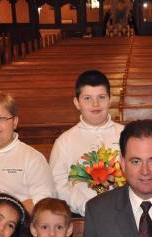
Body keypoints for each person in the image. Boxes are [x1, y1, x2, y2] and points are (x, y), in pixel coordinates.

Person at [49, 70, 124, 216]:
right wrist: (87, 207)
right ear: (77, 102)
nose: (95, 103)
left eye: (101, 97)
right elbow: (58, 184)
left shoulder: (126, 135)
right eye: (87, 98)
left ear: (110, 99)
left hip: (123, 212)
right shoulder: (65, 141)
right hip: (81, 214)